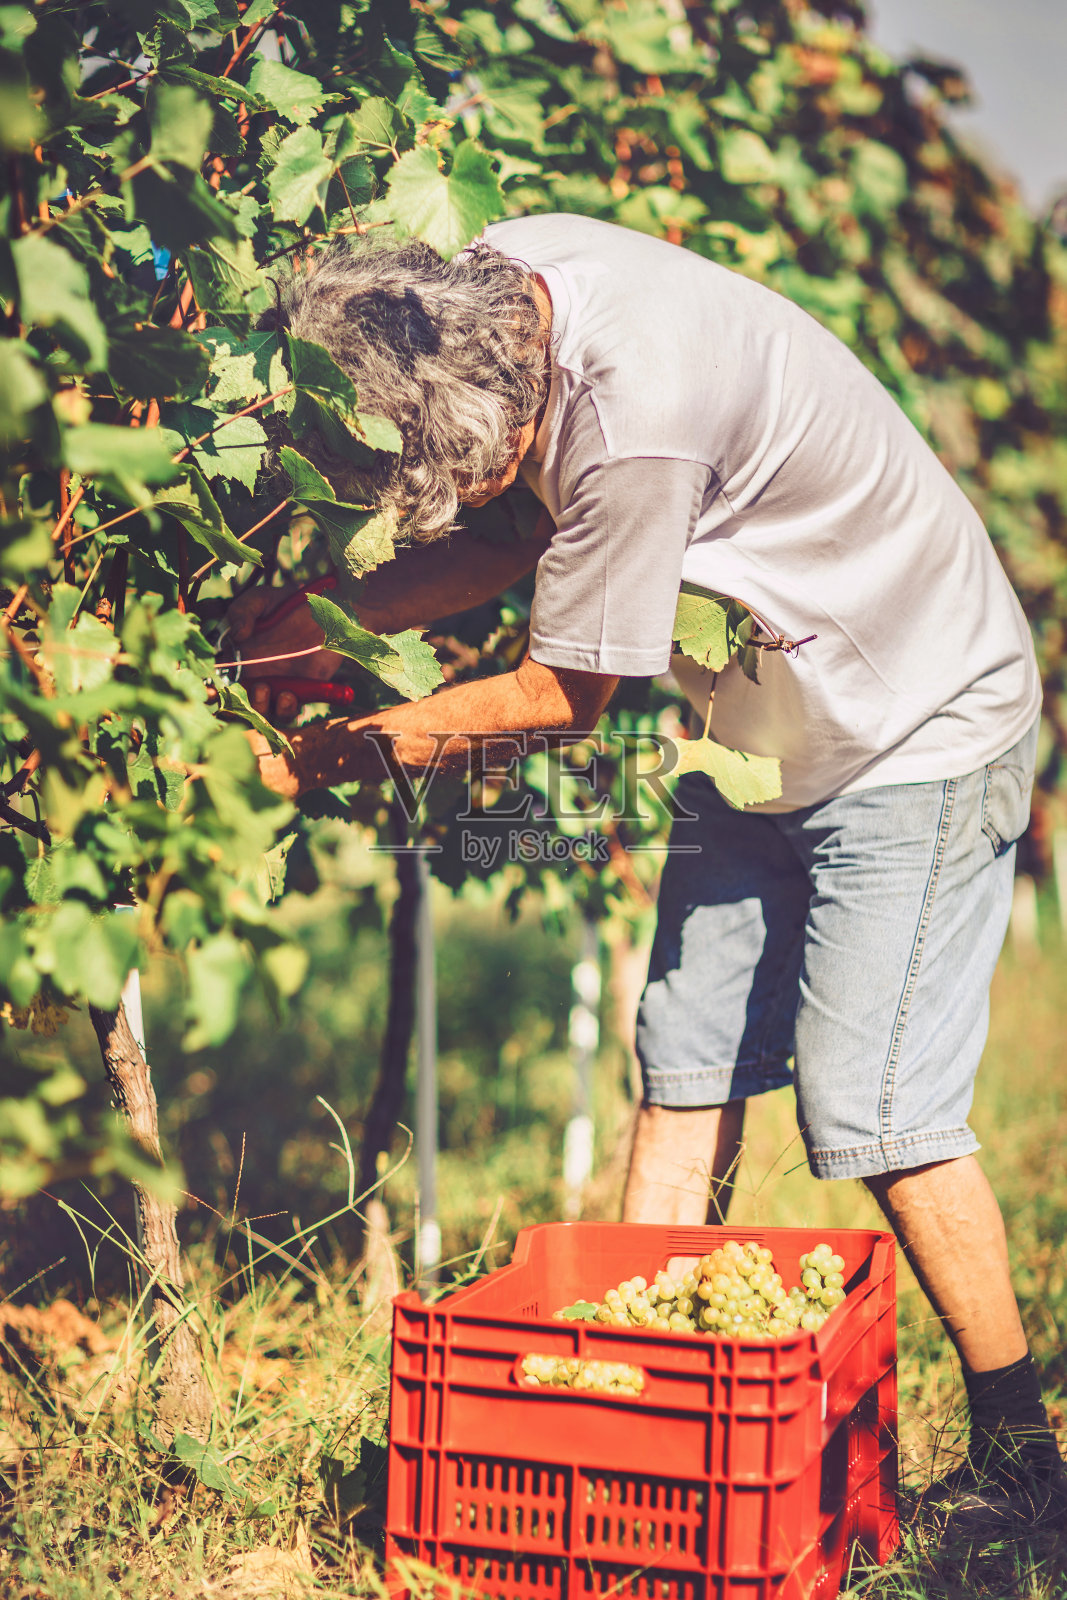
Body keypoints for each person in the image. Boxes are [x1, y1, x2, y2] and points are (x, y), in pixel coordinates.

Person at [234, 214, 1064, 1538]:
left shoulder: (633, 423)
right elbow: (508, 533)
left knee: (880, 1105)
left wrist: (336, 751)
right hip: (762, 727)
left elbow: (565, 691)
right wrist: (289, 637)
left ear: (494, 409)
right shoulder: (480, 294)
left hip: (916, 718)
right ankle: (645, 1424)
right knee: (683, 1061)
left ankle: (1025, 1449)